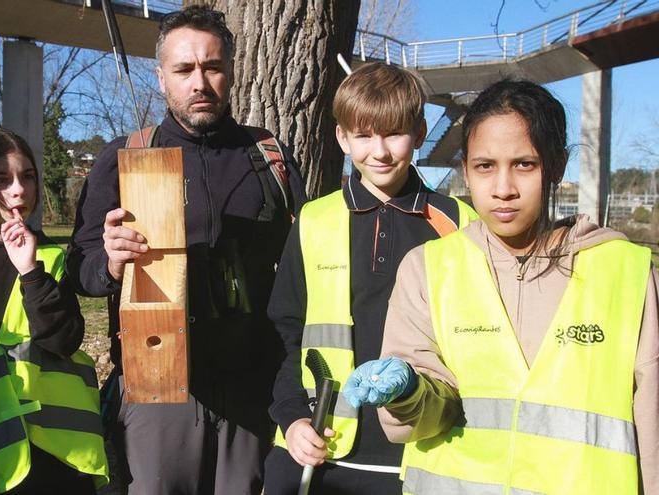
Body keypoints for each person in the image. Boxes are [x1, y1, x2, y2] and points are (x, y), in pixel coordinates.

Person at [344, 79, 659, 494]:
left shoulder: (627, 272)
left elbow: (652, 428)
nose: (503, 189)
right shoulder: (429, 268)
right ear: (465, 170)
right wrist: (408, 392)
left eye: (524, 164)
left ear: (557, 165)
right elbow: (419, 423)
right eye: (485, 166)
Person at [67, 5, 306, 494]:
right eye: (184, 69)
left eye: (212, 67)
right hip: (156, 394)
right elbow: (80, 268)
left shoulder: (270, 158)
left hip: (250, 392)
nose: (200, 82)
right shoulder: (124, 157)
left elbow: (303, 271)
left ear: (232, 71)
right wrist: (108, 263)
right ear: (161, 78)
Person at [263, 62, 476, 494]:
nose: (378, 151)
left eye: (393, 133)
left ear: (418, 133)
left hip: (422, 451)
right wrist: (292, 416)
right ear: (342, 137)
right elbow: (285, 334)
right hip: (319, 446)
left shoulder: (460, 222)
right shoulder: (312, 220)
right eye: (362, 135)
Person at [0, 130, 108, 494]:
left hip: (59, 459)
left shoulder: (48, 255)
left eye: (27, 176)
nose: (19, 190)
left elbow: (63, 339)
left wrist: (30, 272)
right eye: (2, 180)